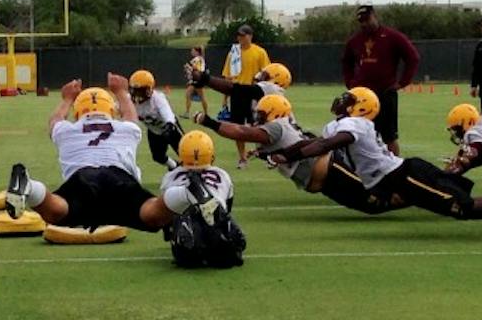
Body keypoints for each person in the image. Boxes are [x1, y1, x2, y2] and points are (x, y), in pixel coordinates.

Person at [271, 87, 482, 237]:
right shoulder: (340, 124)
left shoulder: (355, 125)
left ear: (358, 106)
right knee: (455, 204)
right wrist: (284, 153)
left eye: (348, 98)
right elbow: (314, 143)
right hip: (394, 178)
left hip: (403, 175)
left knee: (461, 207)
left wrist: (292, 154)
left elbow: (323, 145)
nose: (341, 99)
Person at [3, 75, 189, 234]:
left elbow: (55, 120)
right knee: (151, 214)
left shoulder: (67, 131)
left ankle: (31, 187)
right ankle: (185, 193)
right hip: (119, 178)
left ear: (77, 113)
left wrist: (67, 98)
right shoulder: (124, 129)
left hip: (83, 178)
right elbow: (131, 117)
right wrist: (120, 92)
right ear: (110, 110)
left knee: (57, 211)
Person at [196, 95, 389, 215]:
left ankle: (411, 194)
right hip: (320, 178)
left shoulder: (276, 126)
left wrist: (210, 123)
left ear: (275, 113)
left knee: (377, 198)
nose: (258, 117)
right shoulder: (277, 127)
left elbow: (242, 132)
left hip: (326, 168)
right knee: (371, 207)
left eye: (262, 114)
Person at [339, 5, 420, 155]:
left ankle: (395, 169)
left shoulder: (392, 36)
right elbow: (346, 62)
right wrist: (350, 83)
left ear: (375, 16)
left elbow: (413, 58)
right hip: (360, 96)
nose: (364, 24)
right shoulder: (355, 40)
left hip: (385, 92)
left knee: (389, 136)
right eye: (361, 21)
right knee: (357, 134)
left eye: (367, 20)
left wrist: (402, 82)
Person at [160, 129, 245, 269]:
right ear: (210, 154)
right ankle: (222, 233)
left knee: (178, 216)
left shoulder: (170, 177)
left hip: (185, 212)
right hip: (216, 214)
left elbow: (164, 215)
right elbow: (227, 208)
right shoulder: (222, 174)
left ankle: (186, 231)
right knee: (221, 216)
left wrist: (169, 234)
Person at [221, 25, 270, 167]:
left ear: (250, 36)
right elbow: (228, 77)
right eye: (239, 36)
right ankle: (242, 157)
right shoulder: (233, 53)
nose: (240, 38)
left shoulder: (260, 52)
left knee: (258, 125)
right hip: (237, 90)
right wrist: (225, 98)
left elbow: (267, 73)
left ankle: (263, 154)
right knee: (237, 126)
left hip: (254, 90)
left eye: (243, 35)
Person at [128, 69, 183, 171]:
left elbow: (168, 113)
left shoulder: (157, 99)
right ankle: (175, 166)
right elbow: (115, 107)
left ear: (149, 90)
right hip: (154, 130)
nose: (136, 94)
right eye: (134, 90)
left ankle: (197, 171)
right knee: (158, 156)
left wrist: (170, 125)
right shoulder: (129, 100)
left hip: (169, 129)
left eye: (140, 90)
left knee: (185, 152)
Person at [183, 47, 210, 119]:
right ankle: (187, 112)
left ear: (197, 52)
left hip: (198, 80)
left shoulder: (197, 59)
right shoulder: (200, 59)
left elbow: (197, 69)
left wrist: (188, 67)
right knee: (188, 94)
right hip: (197, 80)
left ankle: (206, 114)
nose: (192, 52)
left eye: (193, 51)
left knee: (201, 97)